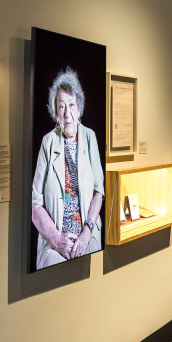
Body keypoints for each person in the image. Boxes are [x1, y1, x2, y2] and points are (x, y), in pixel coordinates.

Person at [31, 67, 105, 270]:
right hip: (55, 241)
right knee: (53, 267)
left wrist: (86, 232)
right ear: (56, 113)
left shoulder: (89, 137)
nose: (67, 113)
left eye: (71, 105)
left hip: (87, 234)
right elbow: (35, 204)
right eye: (61, 106)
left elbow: (99, 191)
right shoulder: (47, 143)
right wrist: (56, 239)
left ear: (79, 108)